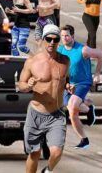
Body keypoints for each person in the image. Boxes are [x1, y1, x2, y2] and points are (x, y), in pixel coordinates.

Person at [17, 23, 70, 172]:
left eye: (55, 39)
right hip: (36, 113)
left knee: (57, 152)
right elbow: (20, 84)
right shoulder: (32, 61)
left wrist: (69, 86)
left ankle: (48, 170)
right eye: (49, 39)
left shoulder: (65, 61)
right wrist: (28, 85)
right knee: (34, 153)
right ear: (43, 39)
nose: (52, 42)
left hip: (57, 114)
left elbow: (67, 79)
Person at [58, 24, 102, 150]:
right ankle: (89, 109)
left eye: (67, 36)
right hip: (68, 84)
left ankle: (84, 139)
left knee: (72, 109)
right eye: (62, 36)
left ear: (72, 36)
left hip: (82, 83)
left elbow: (101, 55)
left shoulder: (83, 50)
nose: (65, 38)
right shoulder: (60, 51)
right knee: (71, 107)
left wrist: (97, 74)